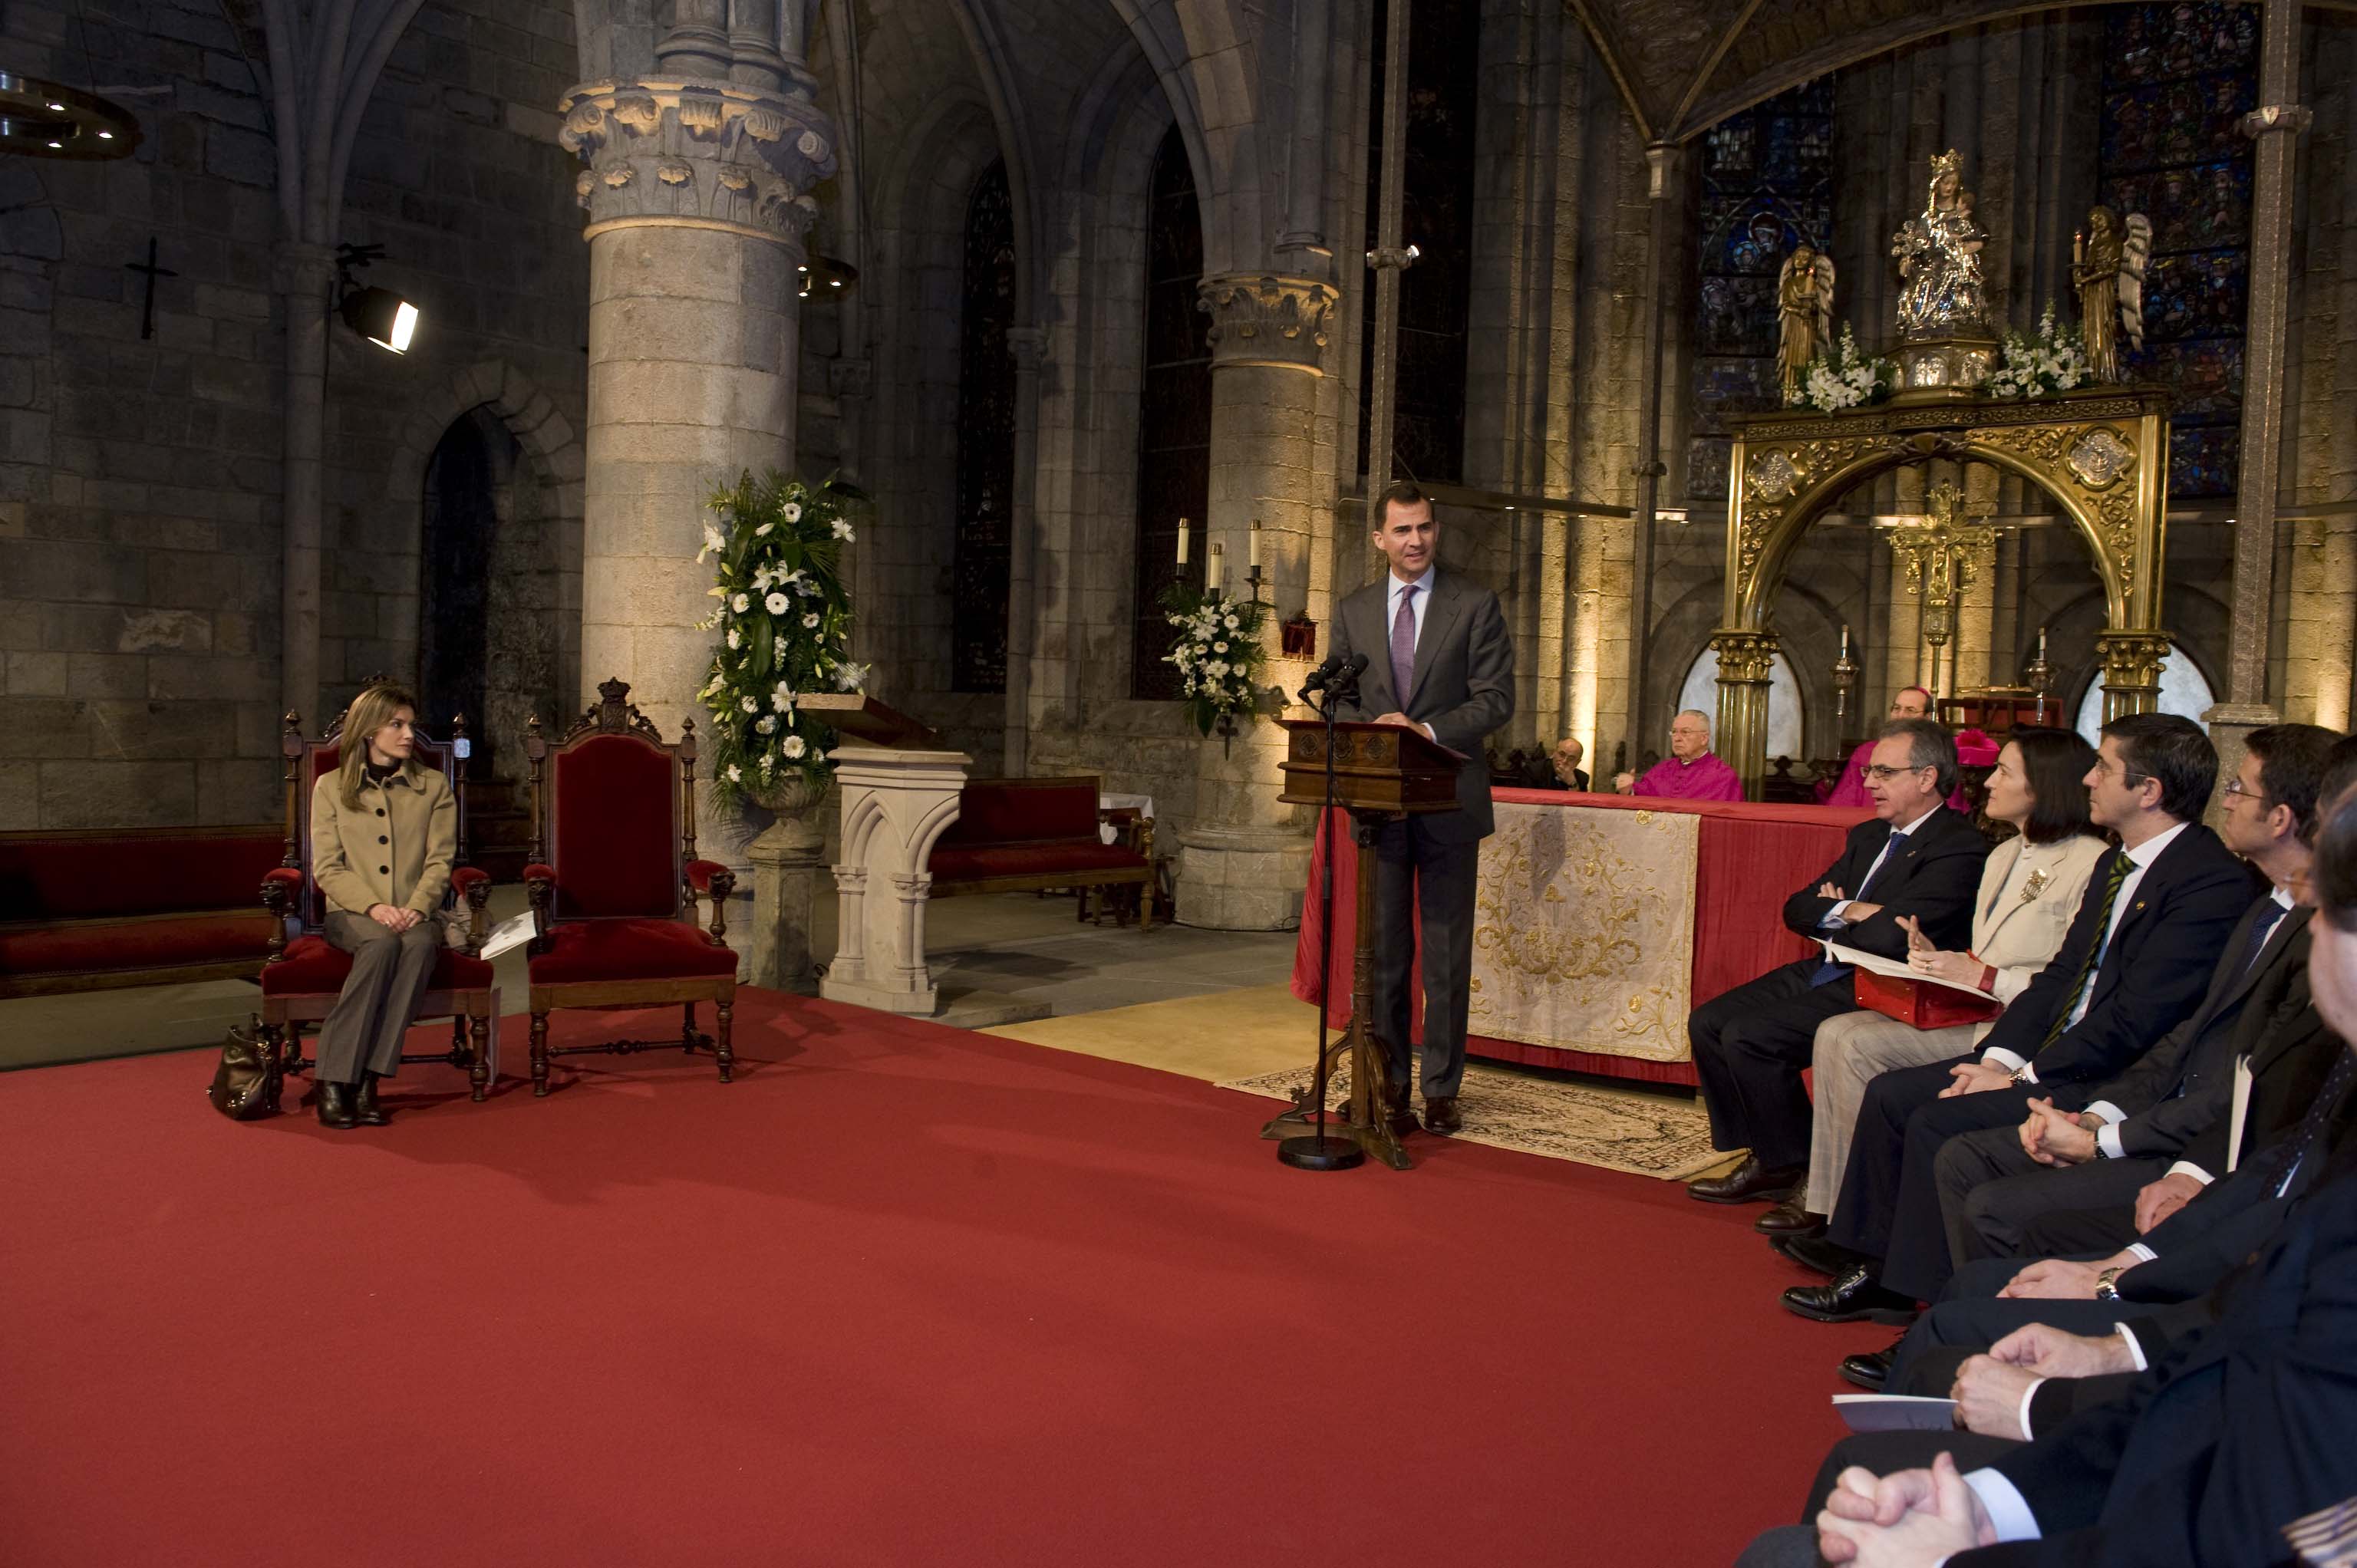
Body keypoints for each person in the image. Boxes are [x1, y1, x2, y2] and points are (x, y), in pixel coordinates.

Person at [1734, 780, 2357, 1568]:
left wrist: (1955, 1550)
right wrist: (2005, 1494)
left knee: (1796, 1546)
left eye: (2321, 904)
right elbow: (2244, 1327)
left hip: (2192, 1499)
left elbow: (2264, 1501)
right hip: (2181, 1419)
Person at [1787, 713, 2259, 1324]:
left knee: (1933, 1119)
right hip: (2061, 1049)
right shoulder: (2123, 863)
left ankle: (1925, 1298)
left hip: (2109, 1074)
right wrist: (1996, 1060)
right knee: (1891, 1094)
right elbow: (2063, 976)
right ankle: (1872, 1263)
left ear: (2149, 791)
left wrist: (2025, 1077)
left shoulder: (2206, 881)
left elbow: (2138, 1018)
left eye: (2105, 767)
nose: (2088, 778)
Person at [1758, 728, 2109, 1242]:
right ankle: (1834, 1208)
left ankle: (1868, 1222)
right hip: (1972, 1009)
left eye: (2005, 772)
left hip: (2019, 1029)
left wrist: (1987, 976)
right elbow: (1986, 949)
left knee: (1852, 1042)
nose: (1988, 782)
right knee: (1835, 1032)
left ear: (2045, 786)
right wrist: (1938, 958)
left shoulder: (2090, 862)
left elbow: (2078, 981)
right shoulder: (2004, 854)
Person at [1685, 719, 1989, 1205]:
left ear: (1927, 778)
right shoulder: (1869, 836)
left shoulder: (1960, 845)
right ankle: (1773, 1155)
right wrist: (1851, 910)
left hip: (1886, 982)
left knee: (1752, 1036)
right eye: (1870, 771)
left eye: (1884, 773)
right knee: (1709, 1022)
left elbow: (1893, 937)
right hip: (1830, 966)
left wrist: (1841, 915)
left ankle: (1805, 1168)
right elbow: (1797, 908)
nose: (1868, 783)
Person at [1327, 479, 1515, 1135]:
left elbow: (1495, 701)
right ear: (1379, 538)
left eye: (1424, 528)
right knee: (1380, 956)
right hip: (1380, 807)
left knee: (1444, 955)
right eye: (1402, 531)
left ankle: (1440, 1089)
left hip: (1449, 803)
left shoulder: (1474, 603)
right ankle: (1385, 1084)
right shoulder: (1352, 610)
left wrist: (1425, 732)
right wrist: (1376, 729)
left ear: (1436, 532)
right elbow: (1340, 700)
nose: (1415, 541)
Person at [306, 682, 457, 1130]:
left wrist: (416, 906)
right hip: (352, 913)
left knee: (415, 946)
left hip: (415, 911)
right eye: (397, 724)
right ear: (369, 730)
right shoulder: (330, 787)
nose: (409, 734)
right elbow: (328, 869)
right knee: (380, 946)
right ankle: (333, 1079)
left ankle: (370, 1077)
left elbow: (441, 859)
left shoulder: (433, 785)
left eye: (411, 724)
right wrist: (373, 907)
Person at [1817, 688, 1937, 807]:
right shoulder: (1866, 752)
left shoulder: (1936, 754)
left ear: (1927, 717)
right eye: (1897, 708)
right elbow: (1845, 800)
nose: (1901, 716)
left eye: (1910, 710)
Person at [1626, 710, 1743, 801]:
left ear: (1704, 738)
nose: (1677, 738)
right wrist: (1628, 790)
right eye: (1674, 732)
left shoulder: (1723, 776)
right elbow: (1643, 800)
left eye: (1685, 732)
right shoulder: (1662, 770)